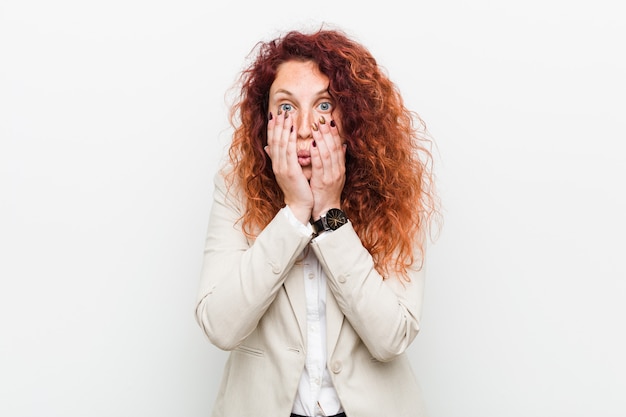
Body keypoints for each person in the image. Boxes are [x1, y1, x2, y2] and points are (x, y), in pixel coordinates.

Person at [195, 26, 439, 417]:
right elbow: (220, 327)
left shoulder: (392, 190)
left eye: (324, 105)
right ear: (266, 120)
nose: (306, 128)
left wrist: (329, 213)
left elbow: (391, 338)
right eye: (287, 107)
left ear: (352, 117)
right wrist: (293, 212)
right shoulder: (235, 189)